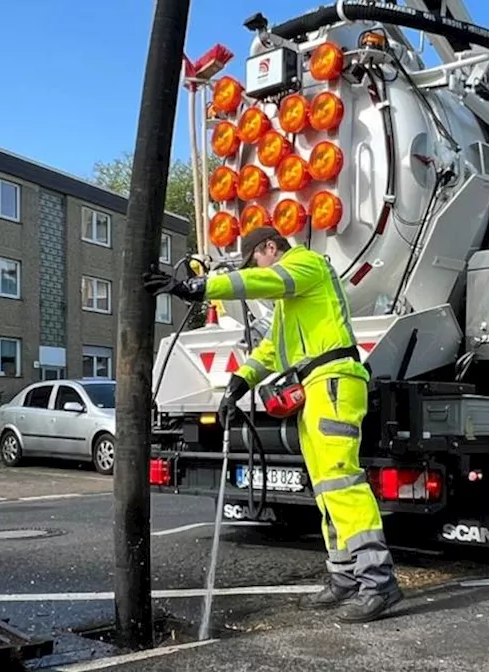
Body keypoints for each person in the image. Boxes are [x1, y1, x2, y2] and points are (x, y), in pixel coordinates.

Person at [142, 225, 404, 623]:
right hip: (317, 386)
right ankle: (345, 576)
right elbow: (271, 349)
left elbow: (267, 279)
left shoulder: (306, 264)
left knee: (341, 481)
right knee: (326, 487)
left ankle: (378, 582)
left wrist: (199, 287)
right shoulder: (293, 303)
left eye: (255, 259)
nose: (255, 269)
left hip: (332, 381)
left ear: (270, 247)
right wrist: (239, 382)